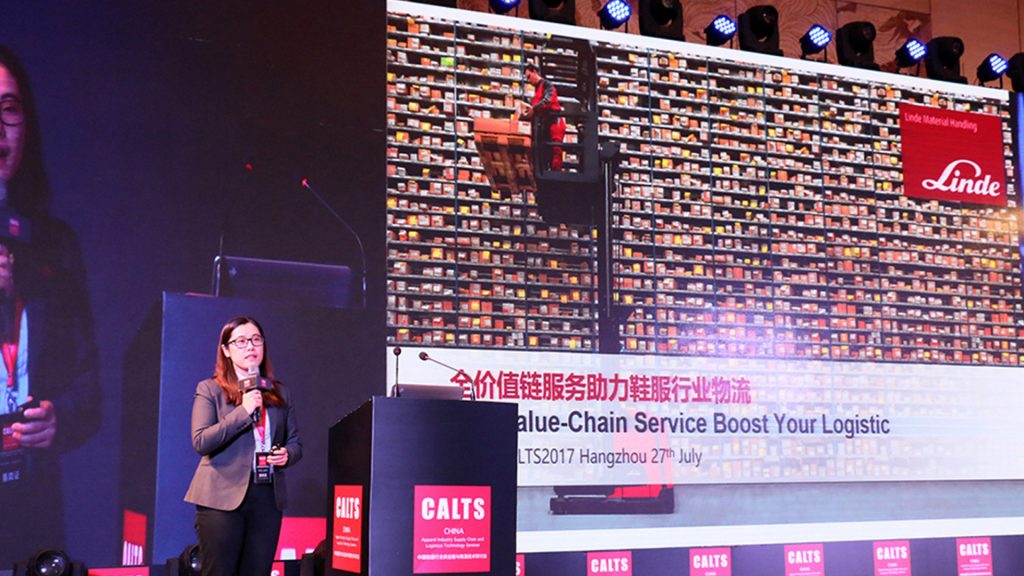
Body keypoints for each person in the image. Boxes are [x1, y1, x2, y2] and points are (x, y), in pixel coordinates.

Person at [0, 45, 100, 568]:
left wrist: (61, 417)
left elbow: (89, 387)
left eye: (9, 109)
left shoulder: (56, 245)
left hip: (30, 508)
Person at [185, 316, 302, 576]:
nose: (250, 346)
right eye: (241, 341)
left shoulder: (280, 392)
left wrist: (287, 455)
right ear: (226, 350)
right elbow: (201, 441)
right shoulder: (210, 389)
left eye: (256, 339)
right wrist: (244, 411)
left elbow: (295, 442)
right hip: (221, 498)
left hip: (267, 497)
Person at [522, 63, 566, 171]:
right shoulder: (537, 90)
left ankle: (556, 173)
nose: (529, 80)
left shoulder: (546, 85)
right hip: (545, 123)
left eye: (529, 77)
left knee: (556, 149)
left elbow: (548, 101)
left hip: (554, 121)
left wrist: (534, 109)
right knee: (544, 151)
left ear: (534, 72)